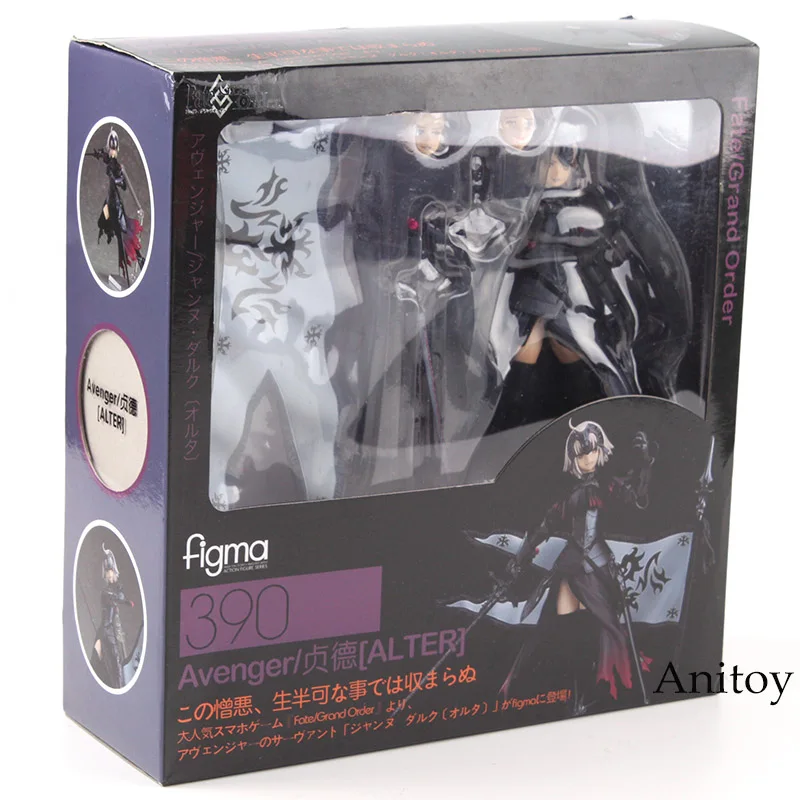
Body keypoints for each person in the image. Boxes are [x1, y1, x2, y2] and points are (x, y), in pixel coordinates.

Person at [502, 420, 654, 712]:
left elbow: (637, 498)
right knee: (560, 628)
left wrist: (645, 463)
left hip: (598, 568)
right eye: (582, 453)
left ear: (600, 451)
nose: (588, 458)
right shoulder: (568, 497)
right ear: (573, 458)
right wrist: (519, 559)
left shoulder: (607, 486)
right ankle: (573, 695)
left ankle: (595, 694)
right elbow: (543, 528)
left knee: (606, 631)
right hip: (571, 568)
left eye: (592, 451)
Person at [88, 128, 145, 288]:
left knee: (124, 235)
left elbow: (124, 185)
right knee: (102, 221)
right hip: (109, 202)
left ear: (117, 149)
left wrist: (118, 178)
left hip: (116, 205)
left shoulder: (117, 166)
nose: (112, 152)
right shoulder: (110, 160)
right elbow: (106, 159)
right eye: (111, 149)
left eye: (114, 150)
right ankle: (112, 229)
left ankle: (138, 259)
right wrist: (99, 154)